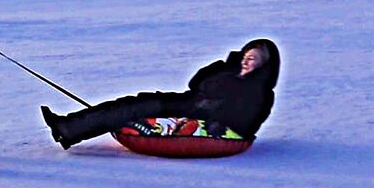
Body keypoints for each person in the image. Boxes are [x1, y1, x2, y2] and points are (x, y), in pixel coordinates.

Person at [41, 39, 280, 150]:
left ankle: (68, 129)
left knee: (134, 109)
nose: (247, 61)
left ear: (264, 65)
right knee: (132, 103)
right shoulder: (230, 73)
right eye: (246, 56)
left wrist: (215, 122)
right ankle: (69, 126)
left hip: (196, 113)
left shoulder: (259, 92)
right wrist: (227, 65)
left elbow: (245, 122)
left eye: (253, 59)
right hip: (188, 102)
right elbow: (196, 82)